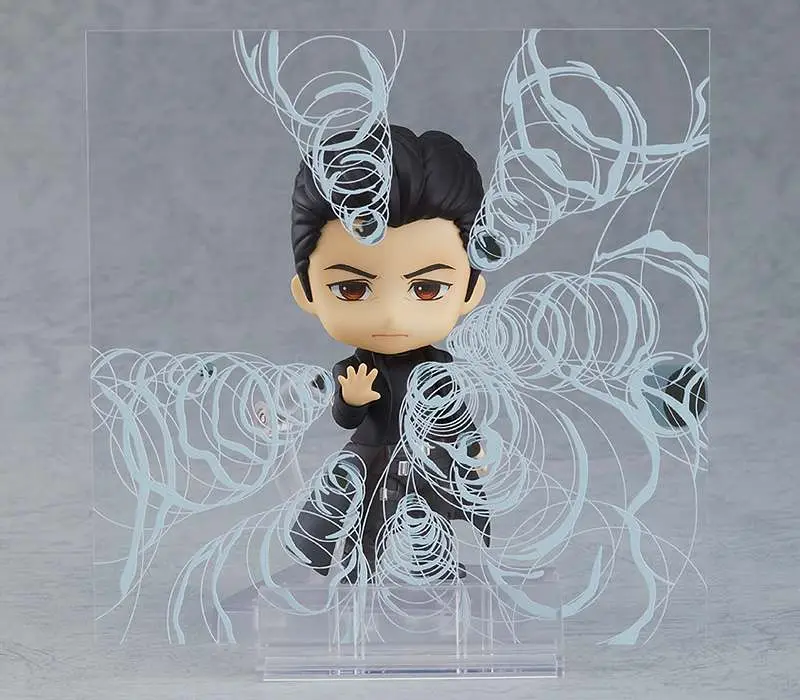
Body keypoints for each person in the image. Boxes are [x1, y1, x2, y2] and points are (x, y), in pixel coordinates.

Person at [286, 125, 495, 583]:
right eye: (352, 289)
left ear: (469, 291)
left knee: (429, 511)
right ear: (306, 292)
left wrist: (471, 444)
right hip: (372, 453)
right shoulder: (354, 368)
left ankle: (433, 563)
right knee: (366, 515)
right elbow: (345, 418)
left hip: (426, 454)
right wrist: (353, 399)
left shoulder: (438, 367)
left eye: (426, 289)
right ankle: (362, 570)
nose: (391, 315)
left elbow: (453, 412)